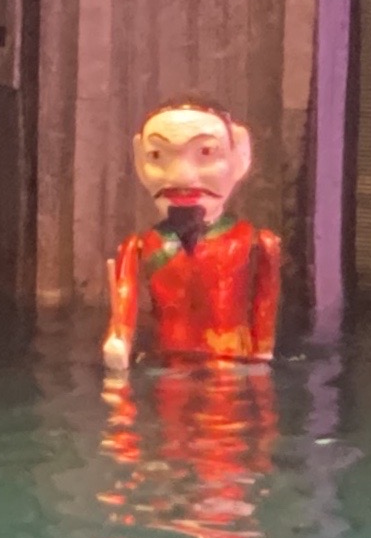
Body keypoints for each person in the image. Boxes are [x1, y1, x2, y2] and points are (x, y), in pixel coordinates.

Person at [104, 100, 284, 368]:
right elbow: (124, 304)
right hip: (169, 362)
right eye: (157, 155)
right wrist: (118, 342)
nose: (182, 177)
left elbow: (264, 306)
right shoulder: (140, 246)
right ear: (140, 161)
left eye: (206, 152)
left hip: (230, 362)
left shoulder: (255, 242)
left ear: (240, 157)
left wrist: (261, 358)